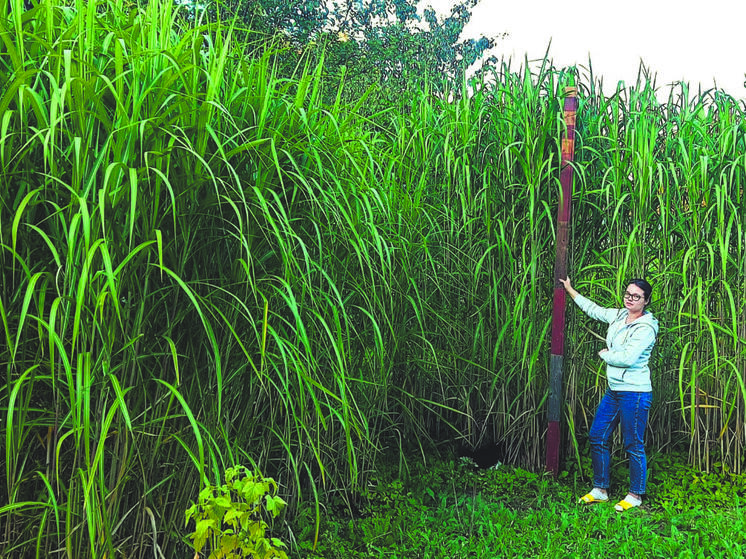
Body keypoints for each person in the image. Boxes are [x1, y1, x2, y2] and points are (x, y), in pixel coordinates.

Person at [559, 277, 659, 512]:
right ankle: (600, 489)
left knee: (633, 443)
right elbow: (594, 310)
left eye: (636, 296)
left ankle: (635, 495)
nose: (629, 298)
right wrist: (570, 290)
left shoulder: (646, 328)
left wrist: (606, 354)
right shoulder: (618, 316)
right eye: (627, 293)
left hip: (634, 393)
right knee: (598, 435)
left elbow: (627, 358)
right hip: (614, 390)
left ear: (645, 301)